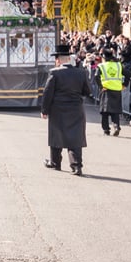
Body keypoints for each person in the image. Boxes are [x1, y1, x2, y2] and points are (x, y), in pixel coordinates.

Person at [41, 44, 92, 176]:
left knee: (56, 135)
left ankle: (55, 162)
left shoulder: (54, 73)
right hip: (76, 109)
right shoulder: (81, 73)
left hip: (57, 109)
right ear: (69, 59)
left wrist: (44, 110)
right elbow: (88, 91)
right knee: (75, 137)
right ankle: (76, 166)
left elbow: (48, 93)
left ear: (58, 59)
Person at [96, 48, 124, 137]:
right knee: (115, 111)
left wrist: (101, 86)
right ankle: (116, 126)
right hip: (117, 90)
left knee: (104, 112)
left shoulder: (101, 66)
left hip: (106, 90)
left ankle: (106, 130)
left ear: (103, 57)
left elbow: (96, 76)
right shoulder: (118, 65)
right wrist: (125, 85)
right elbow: (127, 73)